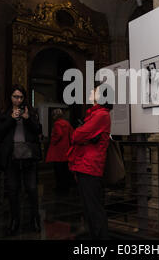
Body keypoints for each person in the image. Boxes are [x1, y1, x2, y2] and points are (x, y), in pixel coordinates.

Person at [0, 85, 43, 236]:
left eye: (21, 97)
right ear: (11, 97)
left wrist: (28, 119)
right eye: (15, 97)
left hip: (28, 157)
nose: (18, 100)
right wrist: (11, 119)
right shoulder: (4, 112)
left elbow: (38, 131)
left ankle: (35, 219)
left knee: (32, 189)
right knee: (13, 191)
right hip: (11, 157)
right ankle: (14, 221)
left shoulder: (31, 111)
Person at [67, 82, 113, 240]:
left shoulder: (101, 115)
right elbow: (81, 135)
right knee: (89, 208)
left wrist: (80, 136)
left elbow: (76, 135)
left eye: (96, 90)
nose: (92, 91)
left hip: (90, 167)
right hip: (85, 166)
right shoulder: (95, 114)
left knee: (93, 209)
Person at [45, 109, 74, 195]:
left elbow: (59, 134)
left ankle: (60, 188)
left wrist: (52, 140)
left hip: (58, 150)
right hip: (66, 149)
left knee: (58, 171)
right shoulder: (67, 123)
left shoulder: (57, 124)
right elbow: (72, 134)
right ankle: (66, 187)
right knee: (65, 170)